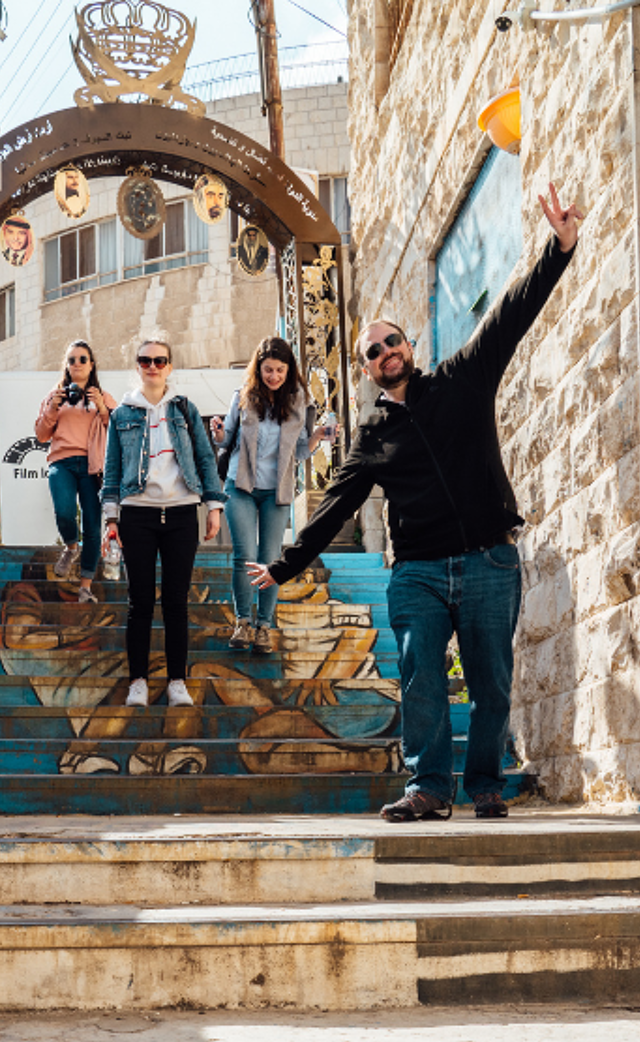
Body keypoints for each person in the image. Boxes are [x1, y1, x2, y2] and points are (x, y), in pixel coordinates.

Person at [248, 183, 583, 823]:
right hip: (419, 573)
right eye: (372, 351)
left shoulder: (463, 379)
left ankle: (484, 784)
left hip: (488, 562)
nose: (385, 353)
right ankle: (429, 786)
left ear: (408, 346)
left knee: (491, 684)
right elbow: (335, 507)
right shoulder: (372, 436)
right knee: (420, 677)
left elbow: (510, 313)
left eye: (392, 342)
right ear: (367, 369)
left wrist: (559, 248)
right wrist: (285, 565)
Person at [101, 339, 225, 707]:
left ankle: (176, 682)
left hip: (182, 513)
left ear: (169, 366)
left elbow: (205, 458)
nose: (152, 366)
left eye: (160, 360)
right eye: (145, 360)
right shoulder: (121, 414)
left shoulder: (185, 408)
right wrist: (111, 518)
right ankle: (138, 681)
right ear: (137, 365)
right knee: (139, 602)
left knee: (176, 602)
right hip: (137, 513)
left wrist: (214, 506)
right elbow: (111, 469)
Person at [212, 337, 333, 652]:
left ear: (289, 370)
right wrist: (218, 432)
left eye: (280, 370)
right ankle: (243, 623)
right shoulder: (242, 397)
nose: (274, 376)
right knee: (245, 556)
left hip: (276, 492)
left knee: (269, 560)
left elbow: (301, 452)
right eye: (268, 370)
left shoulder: (300, 402)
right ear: (258, 368)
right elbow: (225, 440)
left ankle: (263, 626)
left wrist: (317, 436)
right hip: (240, 485)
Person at [35, 341, 115, 600]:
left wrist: (101, 407)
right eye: (72, 360)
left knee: (92, 526)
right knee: (64, 511)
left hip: (93, 466)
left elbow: (117, 432)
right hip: (62, 462)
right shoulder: (54, 395)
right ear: (66, 366)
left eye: (82, 359)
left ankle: (85, 587)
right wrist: (52, 408)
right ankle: (71, 547)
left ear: (91, 365)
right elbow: (41, 435)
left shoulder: (103, 396)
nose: (77, 364)